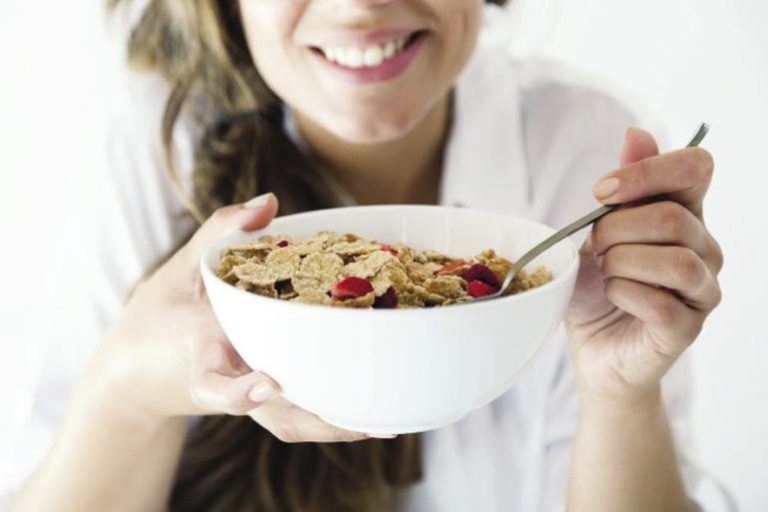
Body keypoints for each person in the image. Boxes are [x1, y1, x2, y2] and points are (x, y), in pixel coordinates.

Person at [4, 1, 724, 511]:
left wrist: (619, 393)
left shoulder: (580, 153)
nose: (360, 6)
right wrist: (131, 389)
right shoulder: (157, 150)